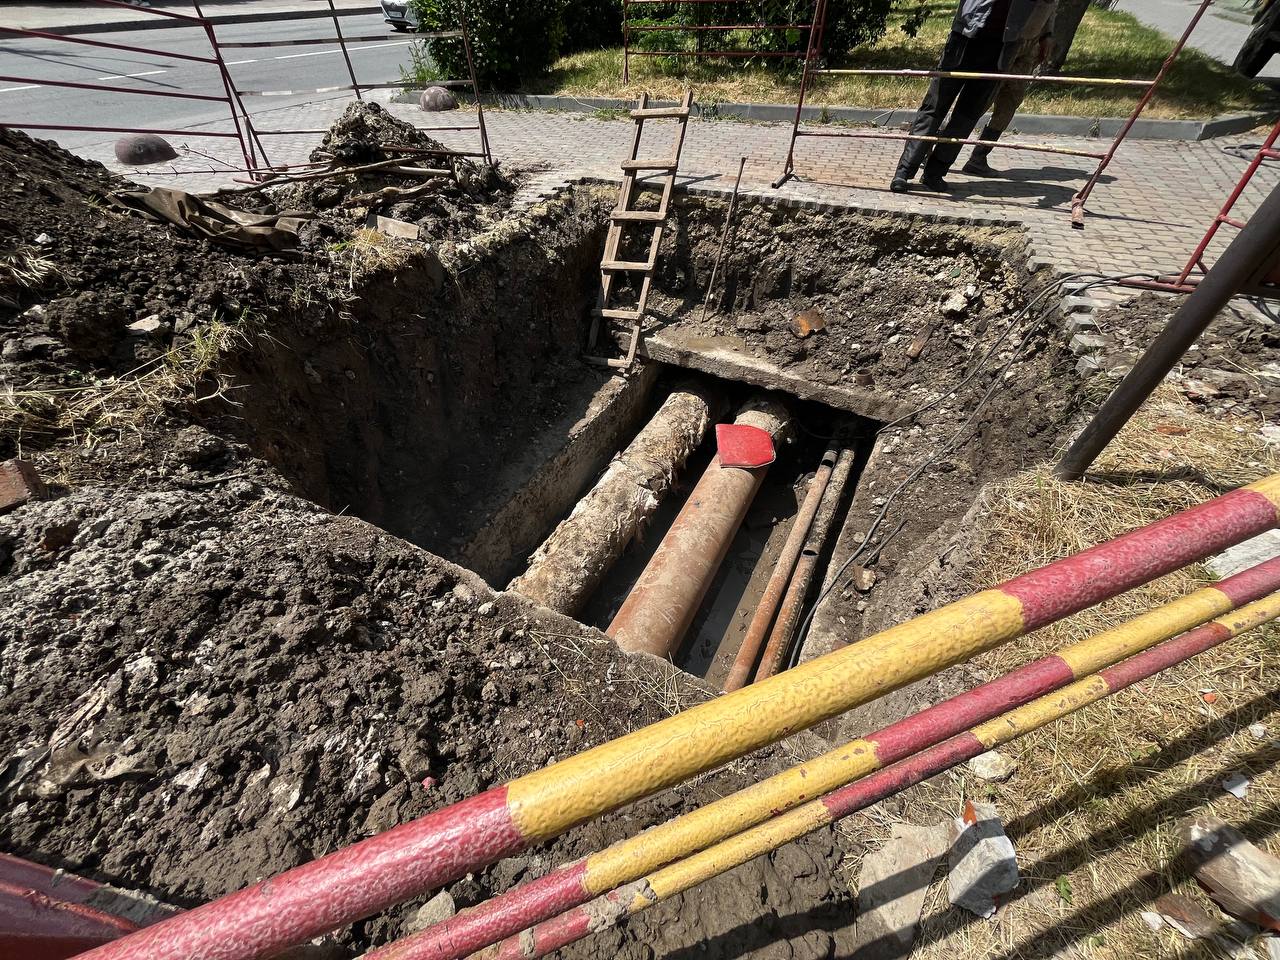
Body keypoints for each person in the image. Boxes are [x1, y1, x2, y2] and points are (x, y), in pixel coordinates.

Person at [889, 0, 1013, 194]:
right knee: (934, 107)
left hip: (1002, 48)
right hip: (965, 37)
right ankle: (904, 172)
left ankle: (935, 173)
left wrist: (1044, 35)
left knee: (967, 117)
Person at [963, 0, 1057, 176]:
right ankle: (932, 146)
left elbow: (1051, 5)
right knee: (982, 99)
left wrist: (1047, 34)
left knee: (1010, 102)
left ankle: (979, 157)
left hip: (1031, 43)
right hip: (1008, 38)